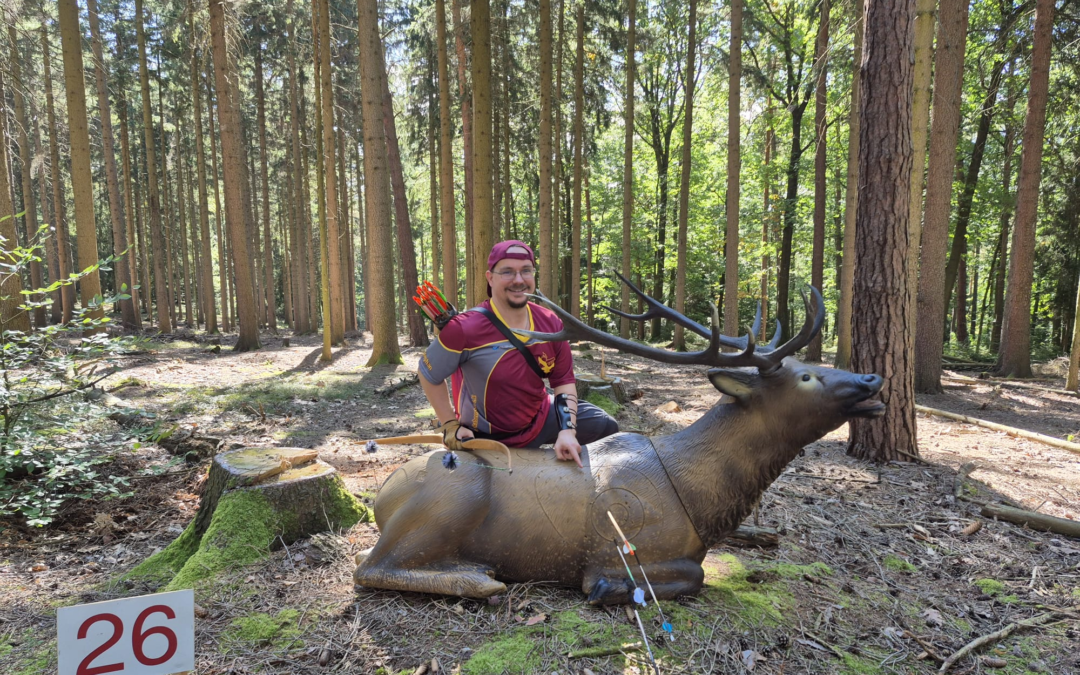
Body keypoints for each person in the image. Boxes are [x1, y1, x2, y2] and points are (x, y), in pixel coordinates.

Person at [418, 240, 619, 467]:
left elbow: (563, 380)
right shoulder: (464, 328)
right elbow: (428, 373)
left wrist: (567, 430)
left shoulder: (550, 322)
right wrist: (449, 425)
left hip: (541, 417)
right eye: (507, 272)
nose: (519, 280)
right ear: (490, 278)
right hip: (486, 436)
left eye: (526, 271)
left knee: (606, 427)